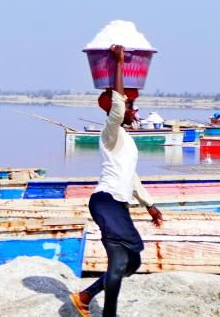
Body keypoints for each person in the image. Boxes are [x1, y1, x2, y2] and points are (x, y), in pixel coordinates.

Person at [71, 45, 165, 317]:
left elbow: (131, 177)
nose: (134, 111)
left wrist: (149, 205)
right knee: (119, 260)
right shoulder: (109, 132)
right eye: (131, 106)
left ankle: (85, 296)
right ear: (117, 108)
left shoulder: (126, 141)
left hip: (118, 204)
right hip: (106, 201)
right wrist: (120, 64)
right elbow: (118, 104)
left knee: (132, 261)